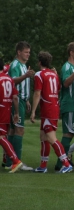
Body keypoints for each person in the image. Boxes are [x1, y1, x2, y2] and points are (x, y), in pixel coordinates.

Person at [30, 51, 73, 173]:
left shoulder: (39, 74)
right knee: (43, 136)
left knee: (51, 137)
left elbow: (37, 93)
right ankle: (43, 166)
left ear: (39, 62)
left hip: (48, 109)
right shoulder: (54, 74)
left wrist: (33, 111)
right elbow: (58, 89)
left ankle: (66, 163)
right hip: (53, 106)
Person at [54, 42, 74, 170]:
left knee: (70, 133)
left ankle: (62, 161)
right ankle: (60, 163)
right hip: (69, 105)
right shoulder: (67, 67)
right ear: (71, 53)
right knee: (68, 134)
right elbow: (65, 84)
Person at [6, 41, 35, 171]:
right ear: (19, 52)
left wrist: (27, 100)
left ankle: (9, 161)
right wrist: (25, 76)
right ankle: (17, 162)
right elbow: (12, 81)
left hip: (22, 100)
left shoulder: (23, 65)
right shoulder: (15, 65)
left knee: (12, 130)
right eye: (26, 52)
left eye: (29, 52)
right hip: (16, 101)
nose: (28, 55)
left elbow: (22, 85)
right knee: (19, 130)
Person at [0, 58, 23, 173]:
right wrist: (16, 113)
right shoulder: (9, 79)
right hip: (7, 111)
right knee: (4, 136)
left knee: (1, 137)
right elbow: (15, 97)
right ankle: (7, 160)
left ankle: (15, 160)